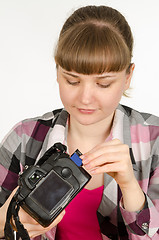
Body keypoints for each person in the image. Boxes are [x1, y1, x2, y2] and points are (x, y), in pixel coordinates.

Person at [0, 5, 159, 240]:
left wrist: (130, 187)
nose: (85, 98)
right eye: (72, 81)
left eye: (103, 84)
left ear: (128, 76)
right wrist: (2, 222)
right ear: (57, 72)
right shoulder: (24, 138)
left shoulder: (154, 141)